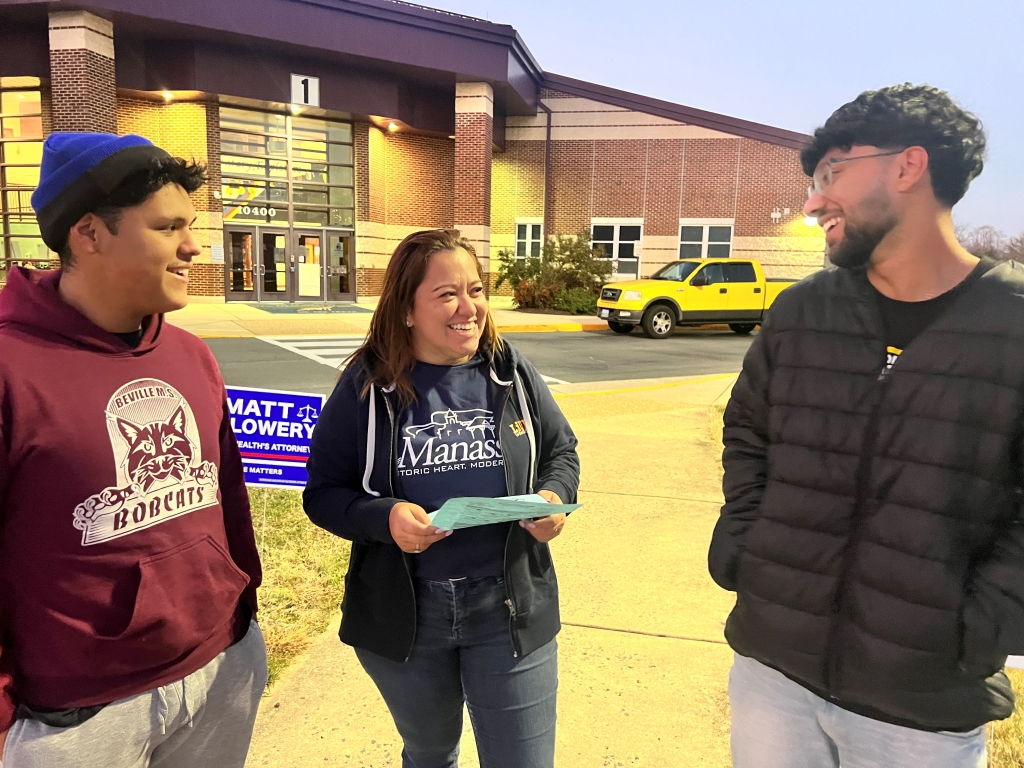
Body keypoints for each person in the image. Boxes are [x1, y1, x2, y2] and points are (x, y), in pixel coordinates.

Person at [708, 83, 1020, 768]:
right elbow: (747, 437)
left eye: (833, 176)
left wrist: (984, 621)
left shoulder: (1015, 324)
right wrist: (747, 546)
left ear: (908, 167)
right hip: (773, 671)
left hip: (921, 704)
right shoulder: (799, 313)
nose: (815, 201)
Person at [0, 133, 266, 767]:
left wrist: (242, 621)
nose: (194, 247)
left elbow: (227, 502)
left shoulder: (191, 354)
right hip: (78, 718)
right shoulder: (11, 369)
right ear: (88, 234)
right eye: (167, 227)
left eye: (190, 226)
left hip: (219, 668)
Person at [304, 229, 580, 768]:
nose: (468, 307)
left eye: (475, 290)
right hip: (410, 614)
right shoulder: (367, 384)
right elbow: (323, 494)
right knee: (430, 754)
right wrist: (385, 519)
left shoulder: (508, 370)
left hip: (509, 605)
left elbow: (561, 452)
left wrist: (552, 496)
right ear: (406, 309)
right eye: (446, 294)